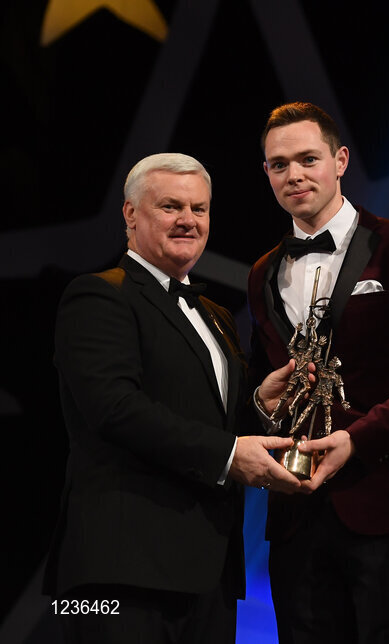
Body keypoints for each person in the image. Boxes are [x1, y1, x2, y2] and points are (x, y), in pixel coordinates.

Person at [45, 153, 306, 643]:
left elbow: (206, 414)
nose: (188, 220)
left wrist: (257, 404)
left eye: (199, 209)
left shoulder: (215, 315)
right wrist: (229, 455)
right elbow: (115, 409)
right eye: (170, 206)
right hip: (123, 570)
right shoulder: (99, 295)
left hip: (209, 573)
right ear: (130, 214)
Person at [248, 102, 389, 643]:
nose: (295, 175)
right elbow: (267, 381)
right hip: (294, 517)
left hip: (385, 504)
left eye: (308, 159)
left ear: (340, 160)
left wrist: (358, 440)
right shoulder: (262, 273)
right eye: (279, 165)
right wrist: (262, 403)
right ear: (267, 173)